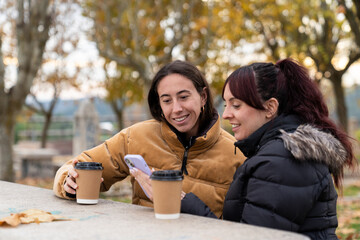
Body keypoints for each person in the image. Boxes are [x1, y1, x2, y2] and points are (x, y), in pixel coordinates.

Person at [181, 58, 357, 240]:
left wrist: (188, 204)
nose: (225, 114)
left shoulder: (283, 160)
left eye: (236, 105)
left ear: (270, 107)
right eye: (226, 105)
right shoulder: (278, 153)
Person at [53, 60, 245, 217]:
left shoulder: (237, 153)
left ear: (203, 97)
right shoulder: (136, 137)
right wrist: (68, 182)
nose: (176, 108)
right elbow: (77, 165)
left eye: (184, 97)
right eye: (167, 100)